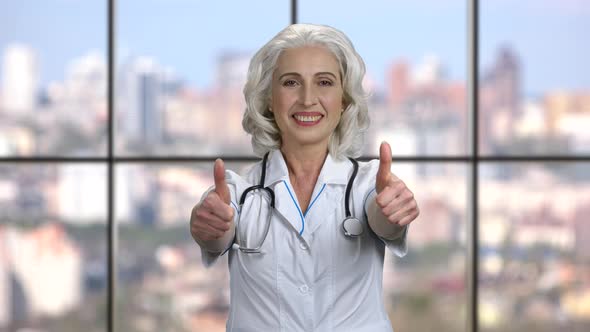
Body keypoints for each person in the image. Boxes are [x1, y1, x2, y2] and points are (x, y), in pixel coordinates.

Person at [189, 23, 420, 332]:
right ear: (269, 98)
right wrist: (208, 226)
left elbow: (383, 219)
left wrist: (391, 212)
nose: (308, 98)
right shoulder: (239, 192)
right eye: (290, 83)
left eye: (324, 82)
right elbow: (216, 234)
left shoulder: (367, 185)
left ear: (345, 100)